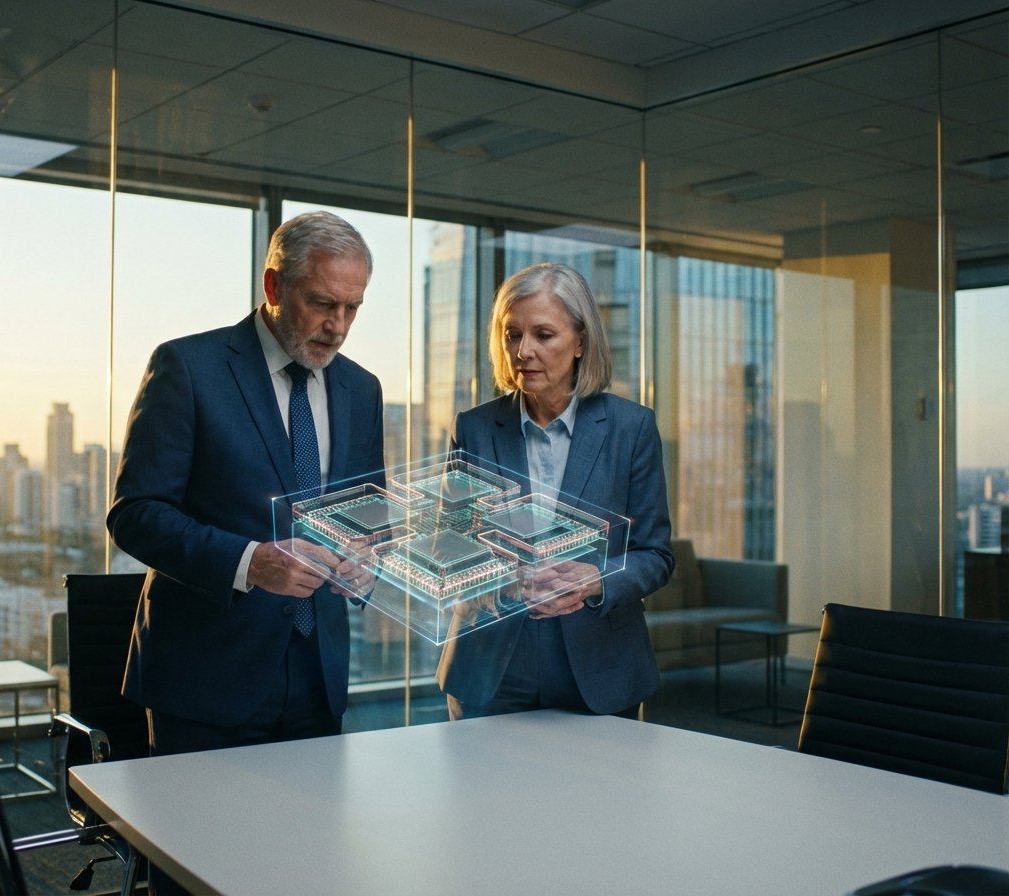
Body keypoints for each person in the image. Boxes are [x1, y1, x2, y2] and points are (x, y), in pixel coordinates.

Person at [108, 209, 384, 758]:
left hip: (319, 675)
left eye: (352, 307)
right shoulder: (188, 367)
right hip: (206, 677)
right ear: (274, 286)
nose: (339, 326)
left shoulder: (362, 388)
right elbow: (135, 514)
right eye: (323, 303)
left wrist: (368, 556)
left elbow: (370, 513)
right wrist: (250, 562)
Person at [436, 262, 673, 721]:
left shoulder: (632, 429)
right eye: (512, 335)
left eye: (543, 335)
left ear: (581, 342)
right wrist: (498, 578)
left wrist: (595, 580)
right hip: (489, 667)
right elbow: (448, 546)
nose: (523, 351)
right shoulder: (473, 429)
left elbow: (656, 555)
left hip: (600, 664)